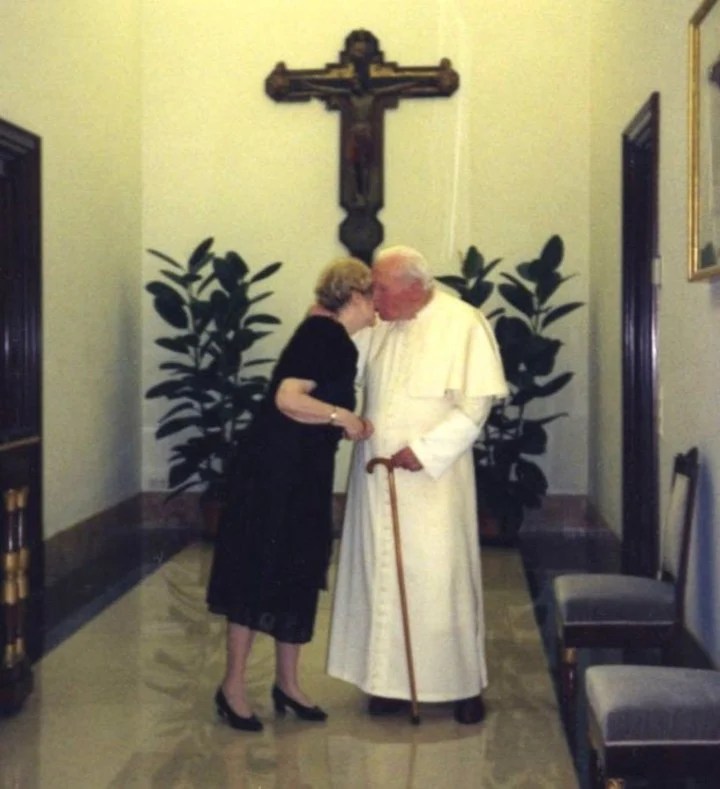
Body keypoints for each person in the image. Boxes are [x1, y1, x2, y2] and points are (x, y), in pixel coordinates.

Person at [326, 245, 508, 724]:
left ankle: (461, 686)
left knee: (441, 582)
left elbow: (475, 406)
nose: (374, 297)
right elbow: (341, 367)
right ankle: (388, 685)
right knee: (379, 577)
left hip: (434, 483)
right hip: (376, 478)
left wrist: (426, 451)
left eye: (382, 289)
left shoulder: (463, 323)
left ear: (415, 287)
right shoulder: (380, 323)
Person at [207, 257, 375, 732]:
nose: (377, 307)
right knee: (257, 573)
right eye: (373, 297)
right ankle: (233, 687)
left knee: (296, 571)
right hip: (275, 477)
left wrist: (337, 420)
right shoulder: (326, 335)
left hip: (298, 475)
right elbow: (289, 398)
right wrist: (344, 417)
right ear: (355, 297)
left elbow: (301, 405)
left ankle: (288, 684)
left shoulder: (326, 334)